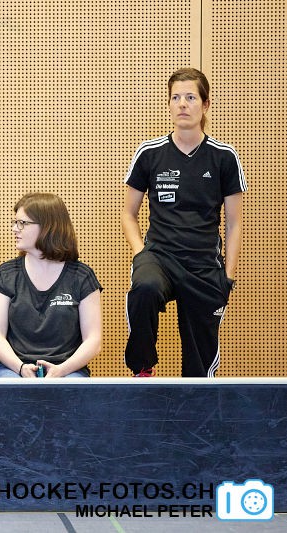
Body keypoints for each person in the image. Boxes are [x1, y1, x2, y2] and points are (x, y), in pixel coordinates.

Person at [122, 68, 246, 377]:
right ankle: (143, 367)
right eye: (175, 98)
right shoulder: (149, 153)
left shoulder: (224, 157)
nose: (182, 104)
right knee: (145, 289)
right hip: (159, 257)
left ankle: (196, 401)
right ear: (168, 105)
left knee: (198, 371)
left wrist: (227, 277)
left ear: (205, 105)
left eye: (190, 97)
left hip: (203, 264)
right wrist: (140, 253)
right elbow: (128, 214)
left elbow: (234, 224)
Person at [0, 193, 102, 378]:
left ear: (48, 226)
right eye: (14, 222)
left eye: (22, 223)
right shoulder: (6, 274)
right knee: (8, 391)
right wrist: (20, 368)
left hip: (68, 371)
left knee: (72, 394)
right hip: (13, 369)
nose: (14, 229)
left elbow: (93, 341)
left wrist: (61, 370)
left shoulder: (81, 276)